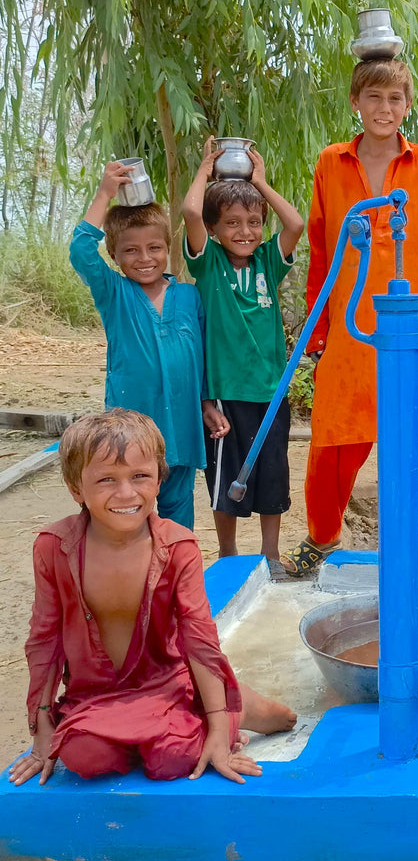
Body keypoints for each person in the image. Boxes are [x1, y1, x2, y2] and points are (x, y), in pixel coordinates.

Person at [9, 410, 296, 787]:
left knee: (177, 759)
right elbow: (44, 639)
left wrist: (216, 728)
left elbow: (199, 640)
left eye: (139, 476)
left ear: (160, 479)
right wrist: (42, 727)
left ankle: (234, 709)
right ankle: (213, 713)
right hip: (97, 694)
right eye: (107, 479)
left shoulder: (178, 546)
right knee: (85, 758)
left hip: (168, 683)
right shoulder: (54, 548)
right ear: (76, 487)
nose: (126, 493)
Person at [281, 58, 418, 575]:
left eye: (395, 99)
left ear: (408, 105)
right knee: (335, 436)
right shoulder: (331, 162)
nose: (385, 109)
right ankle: (321, 539)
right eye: (374, 98)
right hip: (351, 323)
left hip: (415, 322)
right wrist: (319, 328)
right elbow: (321, 248)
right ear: (355, 103)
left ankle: (417, 543)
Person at [69, 163, 215, 529]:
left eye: (154, 247)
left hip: (181, 426)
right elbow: (81, 253)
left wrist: (207, 403)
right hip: (130, 427)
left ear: (168, 248)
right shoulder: (114, 293)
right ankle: (132, 570)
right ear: (115, 257)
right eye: (131, 250)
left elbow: (204, 357)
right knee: (131, 499)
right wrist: (104, 194)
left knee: (179, 507)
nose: (145, 257)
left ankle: (176, 571)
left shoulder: (189, 296)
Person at [183, 139, 304, 566]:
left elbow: (295, 223)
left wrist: (261, 183)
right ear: (215, 230)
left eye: (254, 222)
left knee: (273, 475)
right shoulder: (209, 263)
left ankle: (270, 552)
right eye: (232, 223)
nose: (245, 231)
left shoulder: (267, 262)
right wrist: (205, 167)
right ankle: (230, 553)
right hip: (225, 395)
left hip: (270, 393)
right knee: (224, 479)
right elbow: (192, 212)